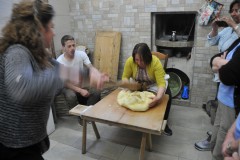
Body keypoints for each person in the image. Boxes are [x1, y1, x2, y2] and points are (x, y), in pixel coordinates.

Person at [0, 1, 106, 159]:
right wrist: (67, 76)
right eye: (50, 27)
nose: (54, 33)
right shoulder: (17, 52)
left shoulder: (38, 54)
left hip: (29, 142)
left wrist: (90, 75)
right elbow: (22, 88)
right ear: (35, 30)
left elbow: (60, 70)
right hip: (15, 146)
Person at [195, 0, 240, 152]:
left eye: (237, 10)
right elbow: (212, 41)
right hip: (220, 76)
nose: (234, 13)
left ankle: (220, 143)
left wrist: (233, 25)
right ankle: (214, 137)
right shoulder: (227, 31)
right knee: (219, 110)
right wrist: (214, 28)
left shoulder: (236, 29)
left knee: (228, 117)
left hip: (233, 81)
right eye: (232, 10)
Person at [122, 43, 173, 136]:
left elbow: (161, 83)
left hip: (154, 84)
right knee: (133, 99)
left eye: (142, 60)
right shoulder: (130, 61)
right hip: (138, 84)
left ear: (148, 57)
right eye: (137, 60)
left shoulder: (155, 62)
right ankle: (137, 122)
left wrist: (158, 97)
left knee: (167, 97)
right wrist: (128, 85)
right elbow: (125, 77)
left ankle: (163, 122)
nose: (139, 63)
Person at [57, 35, 106, 108]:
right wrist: (80, 90)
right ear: (63, 47)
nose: (72, 48)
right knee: (71, 97)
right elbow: (65, 83)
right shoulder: (59, 61)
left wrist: (98, 75)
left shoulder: (81, 54)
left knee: (96, 92)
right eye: (69, 46)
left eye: (73, 45)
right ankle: (77, 114)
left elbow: (91, 67)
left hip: (80, 81)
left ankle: (88, 112)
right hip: (68, 86)